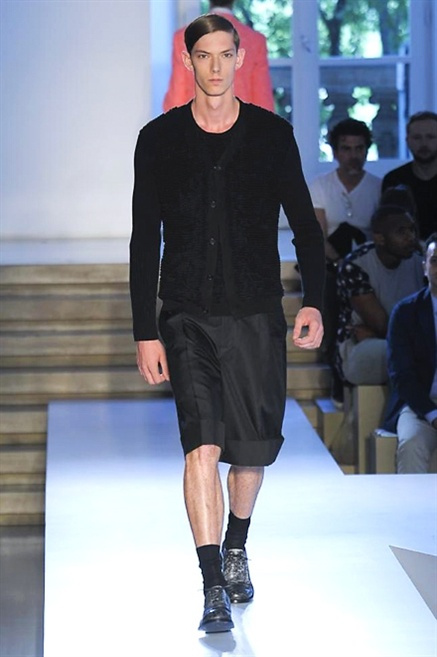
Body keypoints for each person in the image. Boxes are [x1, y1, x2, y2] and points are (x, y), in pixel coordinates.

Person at [130, 14, 324, 634]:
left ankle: (236, 544)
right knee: (202, 445)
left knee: (250, 449)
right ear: (188, 61)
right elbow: (144, 239)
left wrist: (315, 301)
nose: (214, 66)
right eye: (203, 55)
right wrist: (145, 330)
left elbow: (305, 225)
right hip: (186, 313)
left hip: (256, 312)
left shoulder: (272, 136)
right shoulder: (158, 140)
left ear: (240, 58)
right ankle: (213, 583)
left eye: (224, 55)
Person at [308, 118, 381, 405]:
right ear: (336, 152)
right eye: (346, 149)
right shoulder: (321, 185)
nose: (353, 155)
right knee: (330, 298)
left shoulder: (377, 187)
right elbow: (317, 235)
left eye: (359, 148)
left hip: (368, 262)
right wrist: (341, 264)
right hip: (333, 262)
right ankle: (337, 376)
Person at [335, 204, 424, 387]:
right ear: (379, 238)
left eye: (412, 230)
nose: (411, 237)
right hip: (360, 348)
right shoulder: (356, 265)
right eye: (401, 232)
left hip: (394, 340)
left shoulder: (420, 259)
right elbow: (383, 326)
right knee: (402, 354)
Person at [383, 233, 437, 473]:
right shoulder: (406, 312)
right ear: (424, 266)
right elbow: (402, 375)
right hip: (420, 405)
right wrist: (432, 414)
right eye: (435, 261)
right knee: (412, 443)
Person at [163, 0, 274, 112]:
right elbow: (263, 102)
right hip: (243, 120)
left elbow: (176, 99)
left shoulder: (182, 37)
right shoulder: (255, 40)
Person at [382, 111, 437, 241]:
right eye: (417, 137)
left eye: (430, 137)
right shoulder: (394, 181)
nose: (424, 144)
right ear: (407, 141)